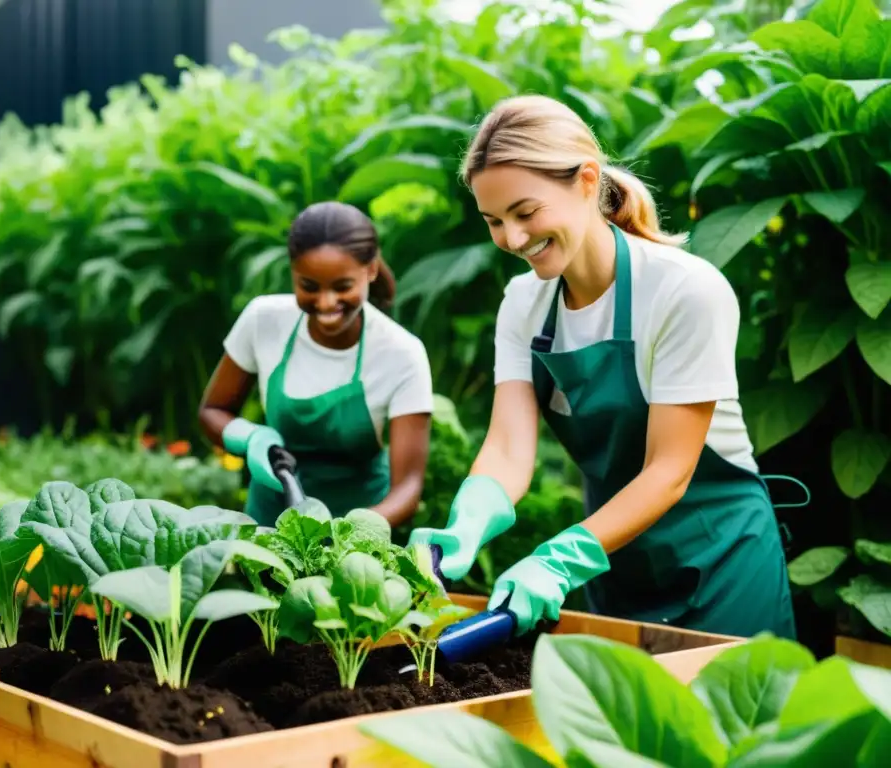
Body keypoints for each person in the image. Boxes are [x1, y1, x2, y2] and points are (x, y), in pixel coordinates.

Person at [409, 95, 805, 640]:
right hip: (611, 562)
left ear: (588, 181)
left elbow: (669, 470)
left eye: (526, 212)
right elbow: (507, 447)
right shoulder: (524, 303)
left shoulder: (682, 291)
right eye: (494, 221)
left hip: (720, 563)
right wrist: (468, 520)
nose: (514, 239)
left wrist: (557, 559)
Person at [199, 201, 433, 527]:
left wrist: (348, 533)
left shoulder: (401, 353)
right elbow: (212, 410)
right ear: (293, 272)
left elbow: (408, 488)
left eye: (343, 287)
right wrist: (250, 437)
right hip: (269, 522)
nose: (325, 303)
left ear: (371, 270)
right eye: (309, 286)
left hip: (361, 532)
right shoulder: (263, 320)